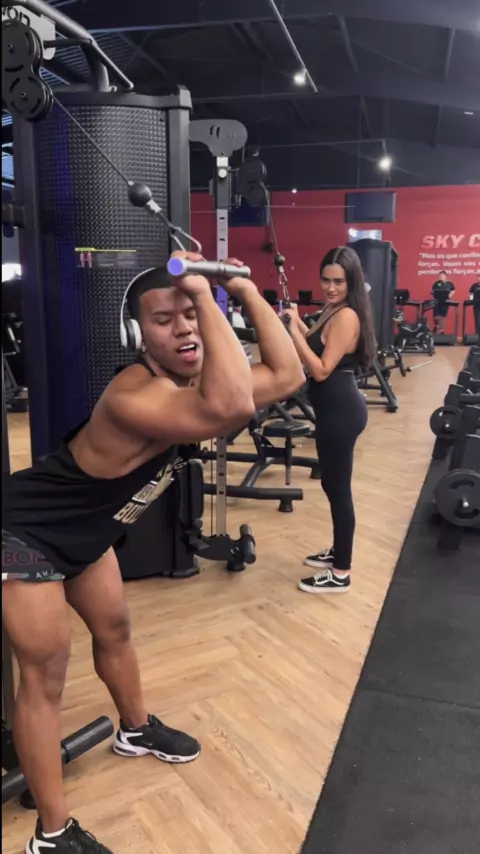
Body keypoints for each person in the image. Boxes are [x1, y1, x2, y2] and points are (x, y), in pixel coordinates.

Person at [2, 251, 304, 854]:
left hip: (87, 534)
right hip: (25, 531)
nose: (186, 328)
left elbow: (289, 373)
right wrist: (204, 289)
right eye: (165, 320)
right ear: (136, 335)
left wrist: (243, 291)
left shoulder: (190, 385)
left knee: (115, 629)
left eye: (192, 315)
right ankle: (52, 836)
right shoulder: (132, 396)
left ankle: (135, 731)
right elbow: (230, 407)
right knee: (46, 674)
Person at [281, 246, 376, 594]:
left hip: (341, 412)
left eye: (339, 281)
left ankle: (341, 572)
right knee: (331, 485)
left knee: (338, 490)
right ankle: (339, 550)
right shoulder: (332, 310)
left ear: (352, 282)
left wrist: (292, 333)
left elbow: (320, 370)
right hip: (334, 410)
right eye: (326, 280)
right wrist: (296, 321)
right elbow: (315, 342)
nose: (331, 287)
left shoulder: (347, 315)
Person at [469, 271, 480, 338]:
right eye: (479, 276)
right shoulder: (474, 286)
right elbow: (471, 294)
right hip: (476, 305)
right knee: (477, 320)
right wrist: (471, 299)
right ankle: (478, 335)